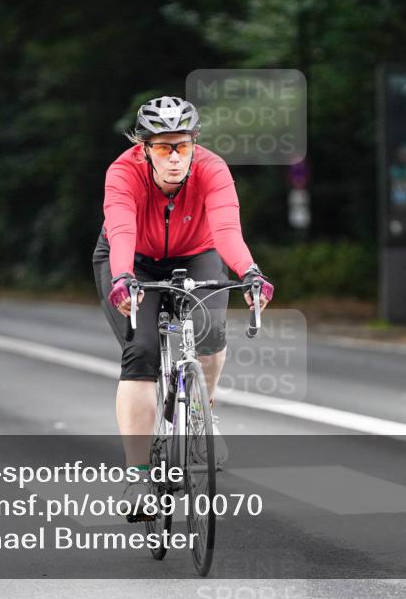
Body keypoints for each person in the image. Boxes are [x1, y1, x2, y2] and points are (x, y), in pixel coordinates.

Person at [93, 96, 273, 520]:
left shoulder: (212, 169)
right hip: (131, 258)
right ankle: (137, 475)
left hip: (197, 251)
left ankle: (201, 414)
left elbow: (227, 230)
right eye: (162, 147)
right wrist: (123, 278)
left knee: (209, 329)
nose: (174, 158)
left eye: (183, 146)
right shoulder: (123, 172)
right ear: (144, 147)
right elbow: (121, 230)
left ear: (195, 144)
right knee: (141, 351)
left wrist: (250, 271)